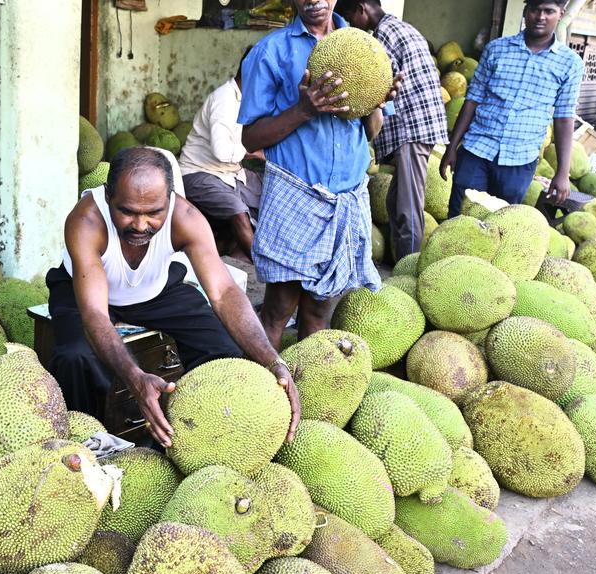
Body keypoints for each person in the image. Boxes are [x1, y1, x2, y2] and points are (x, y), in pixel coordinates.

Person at [47, 147, 301, 448]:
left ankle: (189, 442)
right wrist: (135, 377)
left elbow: (223, 292)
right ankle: (84, 444)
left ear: (169, 198)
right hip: (84, 291)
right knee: (75, 356)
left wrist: (272, 360)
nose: (140, 225)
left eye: (153, 213)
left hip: (154, 288)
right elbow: (95, 315)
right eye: (127, 211)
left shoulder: (186, 217)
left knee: (223, 349)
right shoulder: (87, 220)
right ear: (108, 195)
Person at [237, 0, 399, 345]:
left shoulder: (366, 49)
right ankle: (262, 389)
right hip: (296, 195)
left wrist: (375, 104)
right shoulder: (271, 52)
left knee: (318, 311)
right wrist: (303, 110)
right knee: (279, 308)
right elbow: (249, 137)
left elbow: (370, 131)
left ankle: (307, 388)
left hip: (348, 195)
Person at [441, 0, 582, 218]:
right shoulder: (496, 50)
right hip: (477, 149)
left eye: (549, 11)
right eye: (535, 9)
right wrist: (452, 147)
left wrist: (563, 172)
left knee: (499, 227)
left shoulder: (570, 63)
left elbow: (564, 117)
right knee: (458, 219)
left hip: (520, 159)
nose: (541, 16)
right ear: (526, 11)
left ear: (561, 14)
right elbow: (472, 100)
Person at [337, 0, 447, 259]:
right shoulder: (402, 27)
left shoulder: (384, 35)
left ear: (361, 8)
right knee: (397, 201)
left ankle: (408, 268)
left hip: (412, 127)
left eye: (351, 17)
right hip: (420, 124)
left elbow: (378, 86)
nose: (353, 25)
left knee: (408, 205)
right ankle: (402, 260)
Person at [179, 48, 263, 264]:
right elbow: (223, 152)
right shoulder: (224, 101)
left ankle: (235, 249)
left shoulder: (247, 100)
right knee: (237, 210)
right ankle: (262, 268)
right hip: (198, 173)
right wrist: (253, 152)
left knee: (271, 195)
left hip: (230, 173)